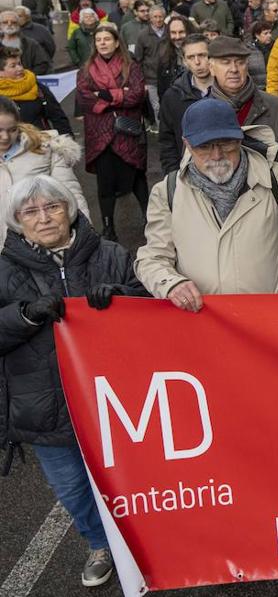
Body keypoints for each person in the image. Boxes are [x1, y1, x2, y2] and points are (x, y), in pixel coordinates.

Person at [0, 175, 148, 589]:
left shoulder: (112, 254)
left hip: (115, 398)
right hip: (45, 402)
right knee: (72, 486)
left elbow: (150, 307)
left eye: (53, 207)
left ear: (70, 209)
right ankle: (99, 543)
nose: (44, 218)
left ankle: (144, 541)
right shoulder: (3, 270)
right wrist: (25, 315)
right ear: (17, 221)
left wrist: (121, 297)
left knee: (131, 478)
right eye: (31, 212)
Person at [135, 99, 278, 307]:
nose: (216, 155)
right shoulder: (168, 192)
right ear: (187, 144)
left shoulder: (276, 180)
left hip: (272, 321)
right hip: (206, 327)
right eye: (204, 146)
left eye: (225, 143)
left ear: (239, 139)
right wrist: (171, 284)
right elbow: (152, 258)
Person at [76, 23, 148, 241]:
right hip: (100, 133)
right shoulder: (86, 69)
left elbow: (137, 95)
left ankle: (150, 219)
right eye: (99, 40)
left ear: (117, 42)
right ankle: (108, 227)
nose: (102, 43)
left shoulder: (130, 66)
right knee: (104, 184)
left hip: (126, 130)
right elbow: (84, 98)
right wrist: (120, 95)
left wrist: (105, 95)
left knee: (136, 177)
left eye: (107, 39)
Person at [206, 35, 278, 179]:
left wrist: (277, 186)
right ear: (211, 68)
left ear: (247, 65)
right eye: (226, 63)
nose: (234, 69)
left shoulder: (276, 107)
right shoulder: (200, 113)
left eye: (240, 62)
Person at [0, 97, 87, 239]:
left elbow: (71, 195)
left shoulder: (45, 148)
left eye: (12, 130)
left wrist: (84, 236)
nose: (5, 137)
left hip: (49, 245)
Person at [157, 33, 215, 174]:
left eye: (202, 55)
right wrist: (173, 175)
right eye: (191, 57)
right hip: (189, 171)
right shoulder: (173, 96)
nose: (197, 62)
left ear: (211, 56)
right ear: (184, 61)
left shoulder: (227, 91)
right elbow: (167, 141)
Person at [0, 47, 71, 136]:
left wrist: (68, 140)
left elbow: (58, 117)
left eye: (19, 63)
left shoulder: (37, 86)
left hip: (40, 144)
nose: (20, 68)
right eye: (13, 66)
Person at [0, 9, 51, 75]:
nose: (9, 24)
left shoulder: (31, 44)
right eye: (5, 22)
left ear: (18, 24)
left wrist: (27, 78)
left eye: (13, 22)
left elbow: (42, 64)